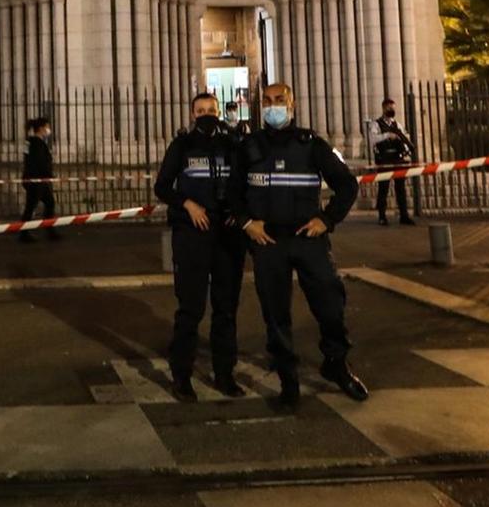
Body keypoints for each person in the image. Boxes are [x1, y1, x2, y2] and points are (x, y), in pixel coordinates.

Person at [231, 82, 367, 407]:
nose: (272, 105)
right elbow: (234, 192)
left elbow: (346, 185)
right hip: (268, 241)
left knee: (330, 304)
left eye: (279, 100)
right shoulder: (249, 145)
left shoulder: (311, 144)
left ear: (292, 105)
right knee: (275, 313)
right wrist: (247, 223)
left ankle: (336, 363)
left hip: (308, 237)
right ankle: (288, 380)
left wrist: (328, 219)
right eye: (267, 101)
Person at [153, 92, 246, 401]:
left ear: (219, 112)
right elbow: (162, 186)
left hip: (226, 235)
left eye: (211, 110)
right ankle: (182, 375)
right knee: (191, 307)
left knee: (226, 308)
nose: (206, 114)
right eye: (201, 110)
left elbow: (242, 184)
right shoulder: (181, 145)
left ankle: (224, 373)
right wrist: (187, 203)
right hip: (192, 234)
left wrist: (238, 211)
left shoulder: (232, 145)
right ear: (192, 114)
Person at [369, 97, 417, 226]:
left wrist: (406, 148)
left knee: (401, 188)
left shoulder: (397, 124)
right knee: (383, 188)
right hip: (384, 159)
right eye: (389, 108)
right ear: (384, 108)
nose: (392, 110)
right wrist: (387, 135)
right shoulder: (376, 124)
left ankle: (404, 215)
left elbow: (404, 137)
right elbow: (372, 140)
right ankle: (382, 216)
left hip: (397, 159)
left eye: (393, 108)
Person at [19, 116, 60, 241]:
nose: (49, 129)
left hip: (32, 179)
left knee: (48, 202)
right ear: (41, 128)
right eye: (47, 127)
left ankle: (49, 229)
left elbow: (28, 160)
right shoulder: (38, 144)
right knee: (31, 206)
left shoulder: (29, 142)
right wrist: (50, 176)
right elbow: (41, 162)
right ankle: (24, 233)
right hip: (37, 180)